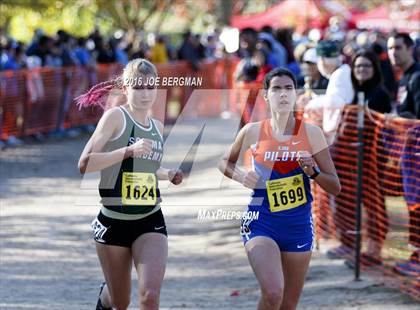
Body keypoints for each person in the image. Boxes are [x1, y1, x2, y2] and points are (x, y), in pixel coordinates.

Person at [219, 68, 341, 309]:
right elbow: (225, 162)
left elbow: (334, 186)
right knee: (273, 292)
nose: (283, 94)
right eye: (276, 89)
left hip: (297, 225)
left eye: (288, 89)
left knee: (287, 304)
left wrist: (313, 172)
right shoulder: (253, 130)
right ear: (266, 95)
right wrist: (241, 176)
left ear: (295, 94)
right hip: (260, 221)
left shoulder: (312, 133)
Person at [77, 58, 183, 310]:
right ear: (126, 89)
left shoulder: (156, 125)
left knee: (150, 296)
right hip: (114, 221)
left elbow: (146, 169)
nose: (145, 94)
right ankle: (106, 296)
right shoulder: (115, 118)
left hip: (150, 219)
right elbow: (85, 163)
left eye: (150, 87)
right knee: (120, 301)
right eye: (138, 87)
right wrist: (127, 151)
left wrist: (168, 174)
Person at [387, 32, 420, 276]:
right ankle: (415, 255)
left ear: (410, 49)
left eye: (398, 47)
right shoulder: (403, 77)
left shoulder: (417, 77)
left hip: (417, 155)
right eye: (390, 48)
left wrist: (396, 120)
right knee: (412, 205)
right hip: (409, 155)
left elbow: (416, 118)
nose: (393, 52)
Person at [304, 40, 354, 144]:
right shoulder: (342, 71)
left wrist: (312, 104)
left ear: (321, 60)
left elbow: (333, 103)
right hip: (342, 131)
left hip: (340, 136)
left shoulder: (339, 75)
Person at [351, 49, 392, 113]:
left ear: (374, 69)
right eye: (358, 66)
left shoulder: (381, 95)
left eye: (367, 66)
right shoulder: (350, 92)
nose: (362, 69)